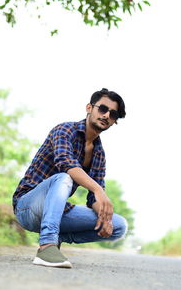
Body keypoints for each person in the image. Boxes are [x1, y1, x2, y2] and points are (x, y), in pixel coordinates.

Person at [12, 88, 128, 269]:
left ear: (114, 122)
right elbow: (67, 165)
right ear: (89, 107)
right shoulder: (65, 130)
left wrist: (104, 215)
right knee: (64, 177)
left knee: (119, 225)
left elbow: (93, 200)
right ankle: (47, 246)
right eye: (102, 109)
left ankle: (58, 237)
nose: (106, 115)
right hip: (27, 207)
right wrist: (98, 190)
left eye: (113, 114)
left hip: (57, 211)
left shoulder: (99, 153)